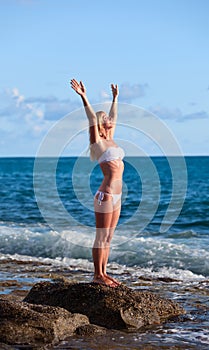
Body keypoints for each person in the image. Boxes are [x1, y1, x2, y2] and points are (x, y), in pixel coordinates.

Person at [70, 79, 124, 287]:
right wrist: (84, 96)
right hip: (106, 194)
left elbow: (116, 117)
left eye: (109, 118)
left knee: (109, 237)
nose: (110, 119)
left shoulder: (112, 139)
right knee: (101, 235)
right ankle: (97, 275)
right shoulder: (98, 142)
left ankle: (104, 272)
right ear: (101, 125)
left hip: (118, 195)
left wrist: (115, 99)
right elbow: (92, 118)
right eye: (106, 118)